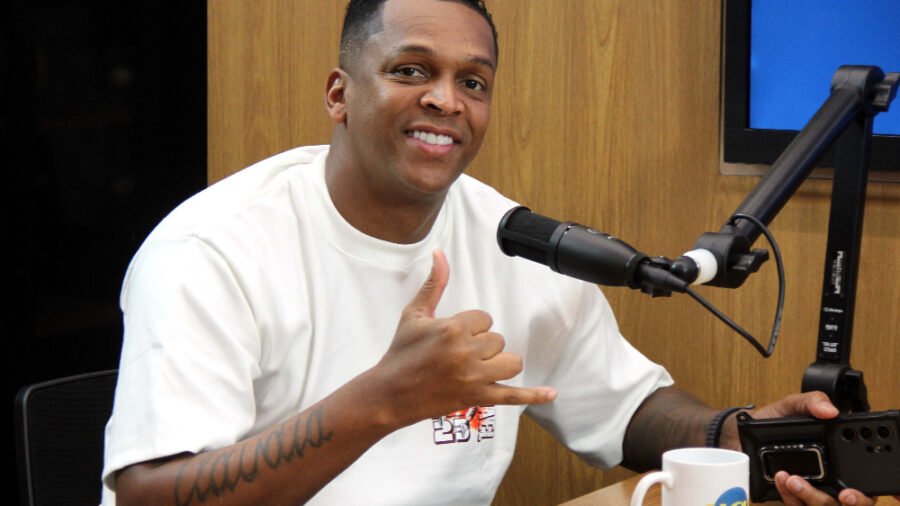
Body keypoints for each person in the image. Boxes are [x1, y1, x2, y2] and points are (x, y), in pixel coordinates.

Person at [102, 1, 888, 505]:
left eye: (473, 82)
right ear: (340, 94)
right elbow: (147, 494)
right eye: (412, 71)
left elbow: (627, 409)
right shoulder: (212, 250)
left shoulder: (511, 238)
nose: (446, 99)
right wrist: (381, 402)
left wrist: (737, 435)